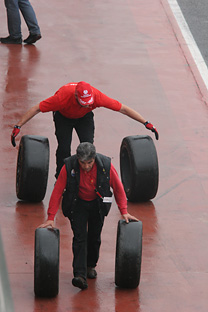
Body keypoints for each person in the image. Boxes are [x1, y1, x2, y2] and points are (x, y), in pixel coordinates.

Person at [38, 142, 139, 290]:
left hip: (97, 205)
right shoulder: (68, 167)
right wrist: (50, 217)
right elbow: (57, 191)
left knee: (94, 237)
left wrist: (124, 211)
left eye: (89, 163)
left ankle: (91, 265)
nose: (86, 166)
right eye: (83, 163)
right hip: (77, 204)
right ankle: (80, 274)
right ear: (78, 159)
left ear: (95, 158)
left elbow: (118, 188)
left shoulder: (106, 166)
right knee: (80, 238)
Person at [11, 81, 159, 178]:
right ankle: (62, 177)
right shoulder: (62, 97)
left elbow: (123, 109)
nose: (87, 105)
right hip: (63, 117)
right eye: (83, 103)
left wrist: (146, 122)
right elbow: (37, 108)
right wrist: (18, 125)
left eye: (89, 103)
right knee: (64, 148)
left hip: (84, 118)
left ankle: (86, 175)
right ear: (76, 96)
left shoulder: (97, 97)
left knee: (88, 147)